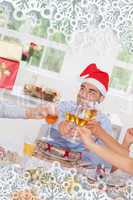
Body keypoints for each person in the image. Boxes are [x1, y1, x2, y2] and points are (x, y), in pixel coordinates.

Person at [45, 63, 113, 168]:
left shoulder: (103, 123)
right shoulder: (67, 106)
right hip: (50, 158)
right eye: (82, 88)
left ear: (101, 98)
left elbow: (100, 160)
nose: (83, 94)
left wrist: (89, 144)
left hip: (78, 167)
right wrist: (59, 124)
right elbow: (51, 115)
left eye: (91, 92)